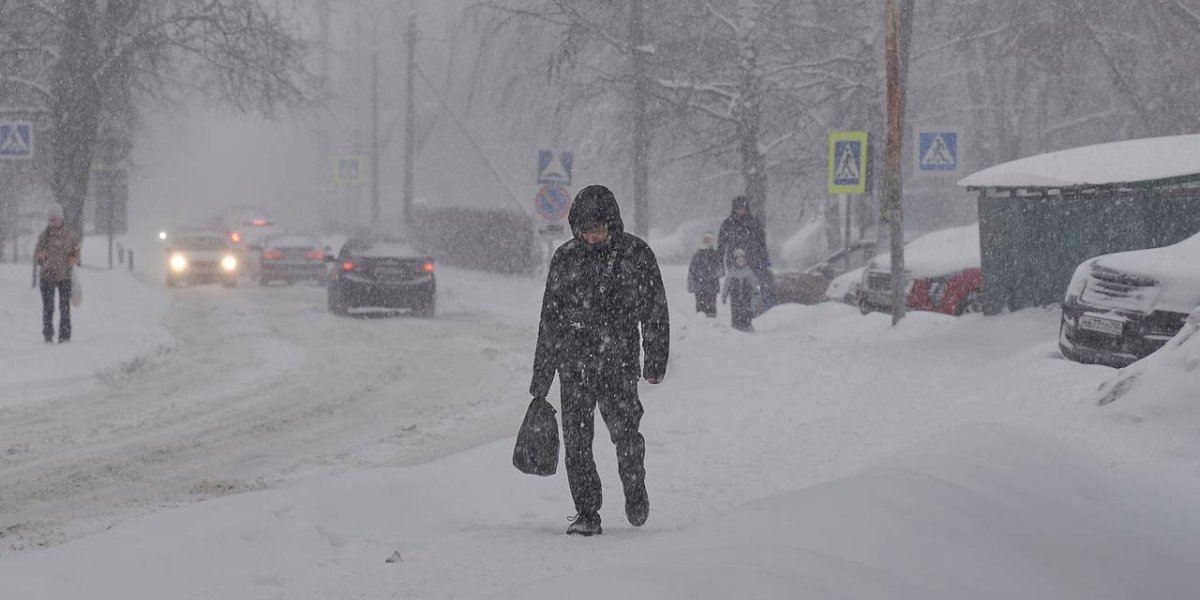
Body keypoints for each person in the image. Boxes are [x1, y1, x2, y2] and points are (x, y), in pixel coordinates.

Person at [530, 184, 670, 537]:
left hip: (618, 363)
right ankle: (587, 513)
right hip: (573, 366)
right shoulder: (565, 258)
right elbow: (551, 318)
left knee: (625, 435)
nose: (590, 238)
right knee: (577, 444)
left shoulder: (636, 255)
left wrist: (654, 360)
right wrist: (542, 377)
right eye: (583, 232)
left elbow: (655, 311)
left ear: (612, 224)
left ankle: (635, 491)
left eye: (597, 231)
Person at [717, 195, 773, 311]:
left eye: (743, 208)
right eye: (738, 208)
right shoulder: (728, 224)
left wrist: (764, 259)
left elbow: (761, 243)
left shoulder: (754, 223)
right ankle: (737, 312)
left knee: (750, 287)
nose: (741, 210)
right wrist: (720, 261)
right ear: (734, 208)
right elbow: (721, 244)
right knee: (735, 289)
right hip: (733, 262)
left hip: (752, 261)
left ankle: (751, 311)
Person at [34, 204, 81, 343]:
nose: (52, 223)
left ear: (61, 219)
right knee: (48, 308)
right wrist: (40, 256)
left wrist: (73, 257)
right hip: (47, 276)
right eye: (50, 220)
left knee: (64, 307)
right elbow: (37, 255)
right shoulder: (44, 237)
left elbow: (76, 251)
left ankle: (65, 335)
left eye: (55, 219)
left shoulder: (71, 236)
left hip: (65, 276)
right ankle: (48, 334)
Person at [722, 249, 760, 332]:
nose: (740, 262)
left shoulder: (749, 273)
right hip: (735, 297)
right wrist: (724, 295)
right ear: (735, 261)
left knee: (746, 312)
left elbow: (754, 285)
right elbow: (726, 285)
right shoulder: (731, 273)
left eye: (742, 260)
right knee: (736, 312)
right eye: (738, 260)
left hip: (746, 297)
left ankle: (747, 325)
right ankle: (735, 326)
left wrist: (756, 294)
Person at [687, 232, 723, 317]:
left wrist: (713, 275)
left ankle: (711, 325)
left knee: (711, 310)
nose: (706, 242)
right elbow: (691, 270)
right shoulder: (697, 255)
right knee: (700, 310)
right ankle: (700, 327)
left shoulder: (715, 255)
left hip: (711, 287)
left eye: (708, 240)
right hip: (699, 287)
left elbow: (721, 270)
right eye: (705, 240)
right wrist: (691, 284)